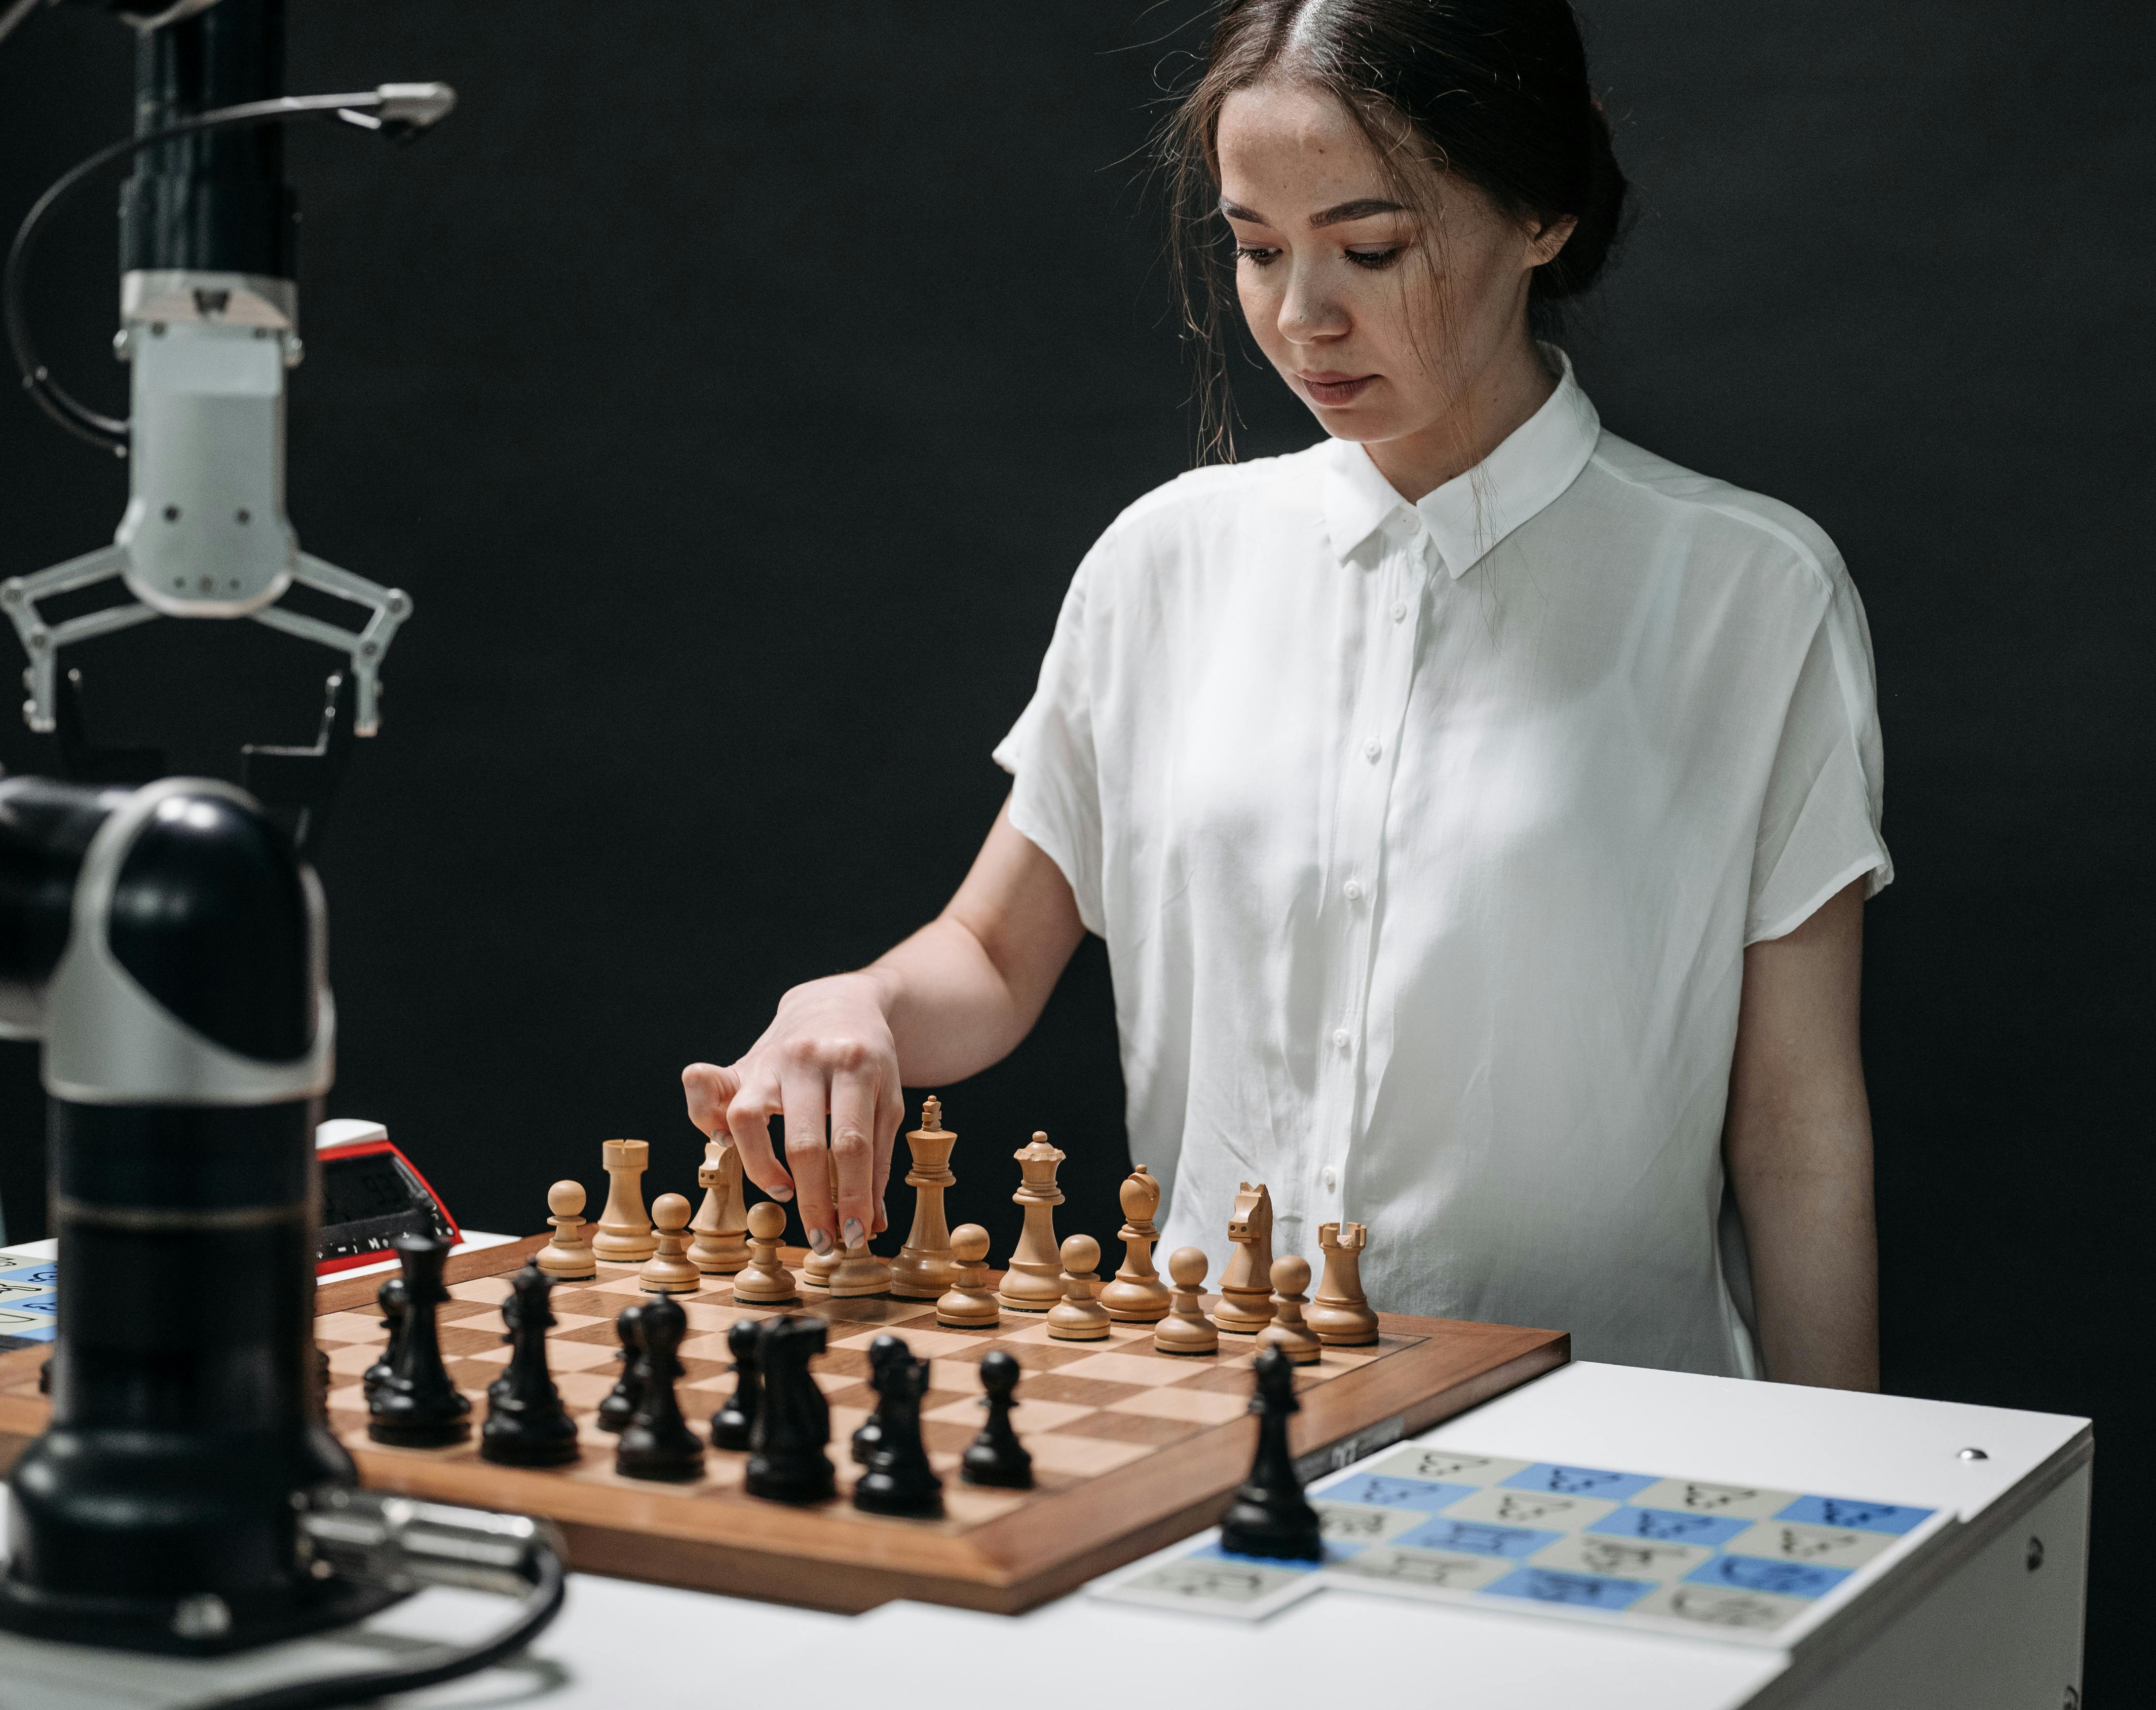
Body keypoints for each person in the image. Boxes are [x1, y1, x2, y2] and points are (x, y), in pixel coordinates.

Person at [683, 0, 1889, 1385]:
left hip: (1603, 1426)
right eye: (1256, 249)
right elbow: (997, 954)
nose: (1303, 317)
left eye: (1371, 248)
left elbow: (1796, 1129)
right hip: (1205, 1403)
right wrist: (863, 1005)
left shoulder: (1749, 592)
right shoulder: (1168, 561)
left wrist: (1851, 1505)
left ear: (1543, 212)